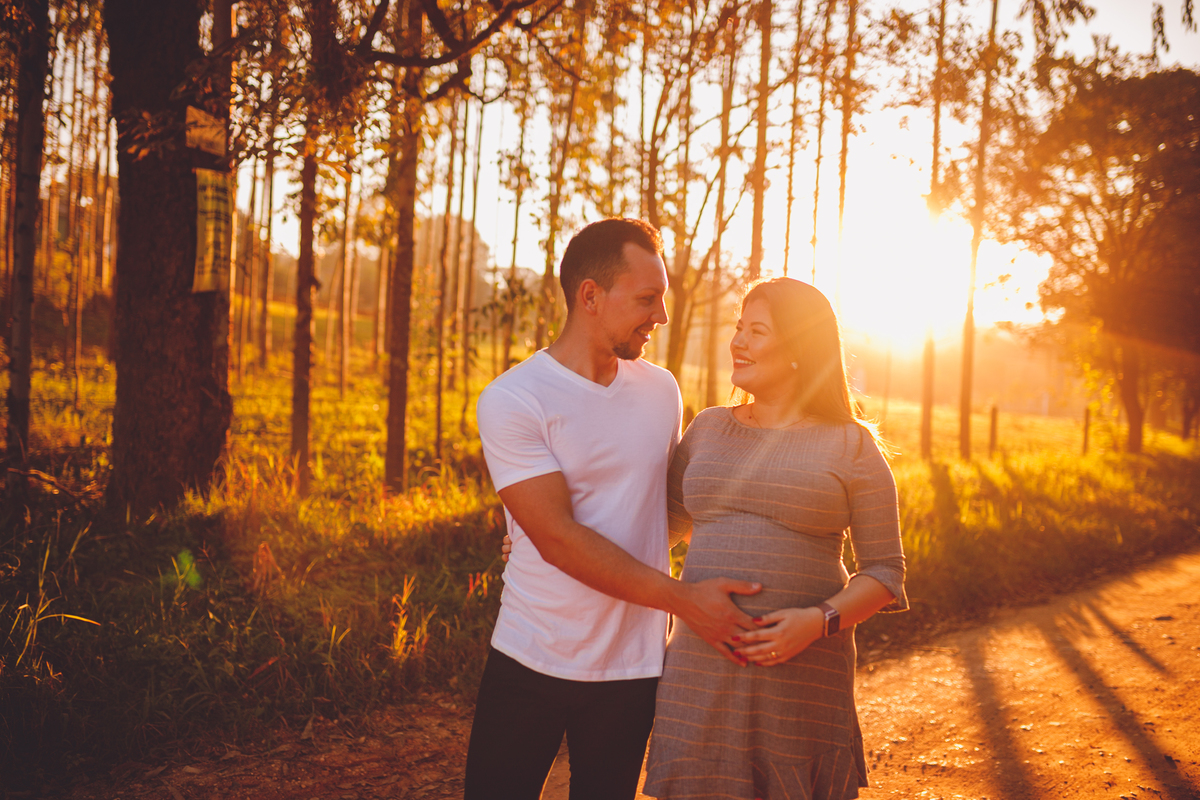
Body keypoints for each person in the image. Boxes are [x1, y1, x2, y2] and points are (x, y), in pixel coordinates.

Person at [464, 218, 763, 800]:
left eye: (663, 298)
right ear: (591, 296)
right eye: (648, 298)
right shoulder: (514, 398)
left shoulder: (661, 392)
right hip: (531, 654)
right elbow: (556, 538)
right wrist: (684, 600)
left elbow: (666, 511)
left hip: (634, 667)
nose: (663, 315)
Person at [642, 277, 908, 800]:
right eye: (738, 328)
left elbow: (885, 573)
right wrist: (543, 542)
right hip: (700, 664)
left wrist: (817, 622)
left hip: (801, 672)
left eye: (756, 331)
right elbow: (655, 529)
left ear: (798, 350)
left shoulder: (852, 445)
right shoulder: (708, 428)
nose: (737, 341)